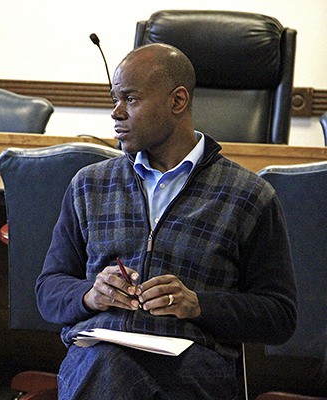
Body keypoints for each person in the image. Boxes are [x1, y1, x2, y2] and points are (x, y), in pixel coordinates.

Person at [35, 43, 297, 399]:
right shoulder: (89, 184)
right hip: (98, 354)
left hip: (192, 363)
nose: (116, 112)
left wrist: (198, 303)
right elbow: (48, 289)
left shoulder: (248, 195)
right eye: (115, 98)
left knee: (112, 375)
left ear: (177, 102)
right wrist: (90, 295)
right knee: (109, 366)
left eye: (131, 99)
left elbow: (279, 315)